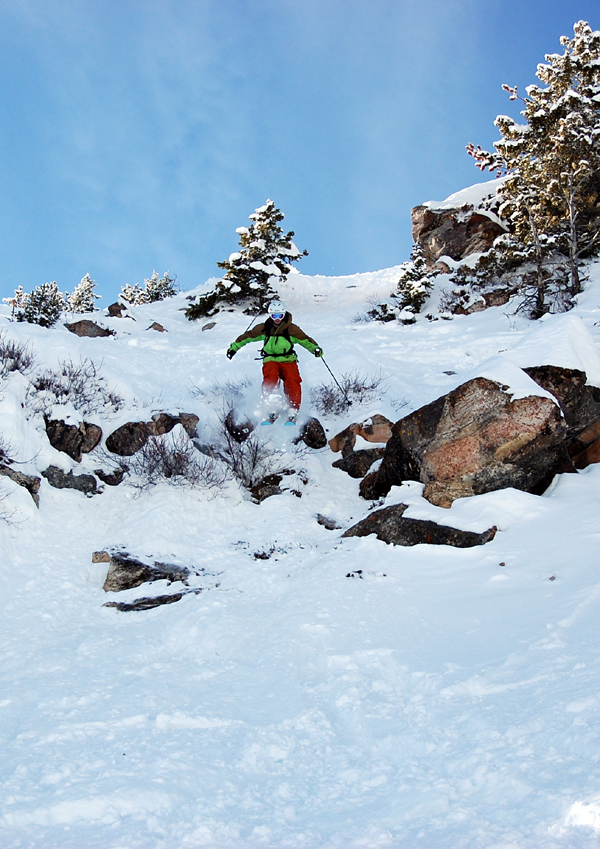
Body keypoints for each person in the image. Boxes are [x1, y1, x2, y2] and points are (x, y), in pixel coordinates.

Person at [226, 300, 323, 424]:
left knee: (292, 379)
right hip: (270, 359)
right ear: (270, 315)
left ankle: (293, 409)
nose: (277, 319)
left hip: (288, 359)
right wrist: (234, 348)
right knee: (270, 379)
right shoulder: (264, 328)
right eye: (274, 316)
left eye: (280, 316)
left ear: (284, 314)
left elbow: (305, 340)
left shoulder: (291, 329)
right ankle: (272, 408)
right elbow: (247, 336)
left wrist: (315, 349)